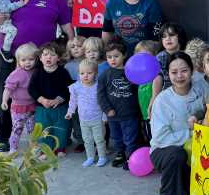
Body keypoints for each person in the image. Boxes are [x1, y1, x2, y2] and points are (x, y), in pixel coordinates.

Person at [0, 0, 74, 153]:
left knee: (37, 93)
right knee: (6, 93)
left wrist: (71, 44)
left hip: (42, 57)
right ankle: (3, 137)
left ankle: (41, 137)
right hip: (10, 54)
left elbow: (67, 24)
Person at [150, 52, 205, 195]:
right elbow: (161, 138)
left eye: (184, 71)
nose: (179, 76)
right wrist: (191, 132)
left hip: (198, 148)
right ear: (168, 74)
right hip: (165, 150)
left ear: (192, 71)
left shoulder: (202, 89)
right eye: (174, 72)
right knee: (176, 155)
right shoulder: (162, 100)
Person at [98, 40, 139, 169]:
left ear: (124, 55)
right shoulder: (105, 74)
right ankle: (120, 154)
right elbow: (100, 94)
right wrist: (107, 109)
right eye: (109, 57)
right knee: (117, 138)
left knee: (130, 138)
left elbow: (138, 90)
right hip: (113, 114)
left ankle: (130, 158)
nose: (113, 60)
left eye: (116, 56)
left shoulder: (131, 72)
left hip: (130, 113)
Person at [28, 42, 72, 157]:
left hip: (60, 107)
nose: (49, 57)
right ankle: (45, 149)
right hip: (43, 107)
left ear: (58, 58)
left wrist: (59, 99)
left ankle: (60, 148)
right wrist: (41, 99)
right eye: (45, 54)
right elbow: (32, 88)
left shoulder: (63, 72)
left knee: (61, 127)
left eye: (52, 55)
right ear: (40, 58)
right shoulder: (37, 72)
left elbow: (68, 88)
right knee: (44, 128)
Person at [66, 59, 108, 167]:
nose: (85, 76)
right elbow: (73, 101)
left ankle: (102, 157)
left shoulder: (98, 86)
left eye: (89, 73)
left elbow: (104, 102)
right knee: (87, 140)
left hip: (97, 119)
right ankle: (90, 157)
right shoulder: (76, 87)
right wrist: (70, 111)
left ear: (96, 74)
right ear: (78, 74)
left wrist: (104, 116)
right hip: (83, 119)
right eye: (82, 73)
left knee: (99, 139)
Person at [0, 42, 39, 153]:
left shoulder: (35, 72)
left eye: (31, 59)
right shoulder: (16, 74)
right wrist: (4, 101)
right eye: (23, 60)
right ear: (18, 61)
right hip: (18, 107)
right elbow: (8, 89)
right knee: (17, 129)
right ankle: (13, 148)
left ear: (36, 59)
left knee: (32, 129)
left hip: (32, 106)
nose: (27, 63)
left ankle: (33, 146)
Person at [134, 39, 164, 145]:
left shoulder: (155, 74)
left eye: (147, 56)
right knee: (146, 135)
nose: (143, 59)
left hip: (152, 112)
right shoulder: (138, 73)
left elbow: (155, 94)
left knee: (153, 136)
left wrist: (151, 107)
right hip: (143, 112)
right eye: (140, 56)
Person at [64, 35, 87, 153]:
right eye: (73, 47)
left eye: (79, 46)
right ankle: (80, 141)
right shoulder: (68, 66)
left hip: (88, 96)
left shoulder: (90, 63)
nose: (76, 49)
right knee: (76, 120)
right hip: (74, 97)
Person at [156, 22, 187, 91]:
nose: (168, 39)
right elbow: (156, 87)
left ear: (180, 36)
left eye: (171, 35)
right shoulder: (160, 58)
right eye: (164, 36)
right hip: (166, 96)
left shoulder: (187, 55)